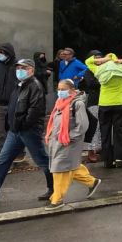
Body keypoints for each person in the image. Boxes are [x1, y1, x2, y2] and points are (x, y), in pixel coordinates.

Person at [0, 59, 54, 205]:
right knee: (3, 160)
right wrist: (12, 126)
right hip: (15, 131)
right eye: (18, 67)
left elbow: (34, 111)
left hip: (29, 131)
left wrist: (23, 124)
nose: (19, 70)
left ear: (31, 70)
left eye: (23, 68)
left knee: (42, 161)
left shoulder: (35, 86)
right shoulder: (20, 85)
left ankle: (54, 188)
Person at [43, 79, 102, 210]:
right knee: (71, 167)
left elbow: (82, 126)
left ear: (71, 90)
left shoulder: (77, 104)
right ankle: (92, 182)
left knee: (59, 169)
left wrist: (68, 137)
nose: (60, 92)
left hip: (68, 142)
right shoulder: (60, 102)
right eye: (58, 89)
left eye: (63, 89)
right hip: (58, 142)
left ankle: (57, 199)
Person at [86, 52, 122, 168]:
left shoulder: (100, 70)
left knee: (105, 132)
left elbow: (88, 61)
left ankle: (108, 160)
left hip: (104, 104)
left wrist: (103, 59)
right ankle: (120, 159)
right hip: (119, 104)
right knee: (119, 132)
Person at [80, 50, 102, 163]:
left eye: (100, 57)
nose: (98, 60)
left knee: (102, 126)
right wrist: (104, 80)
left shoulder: (104, 69)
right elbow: (91, 84)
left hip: (106, 101)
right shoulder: (89, 71)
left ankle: (100, 148)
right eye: (96, 58)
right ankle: (91, 151)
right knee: (94, 126)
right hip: (94, 102)